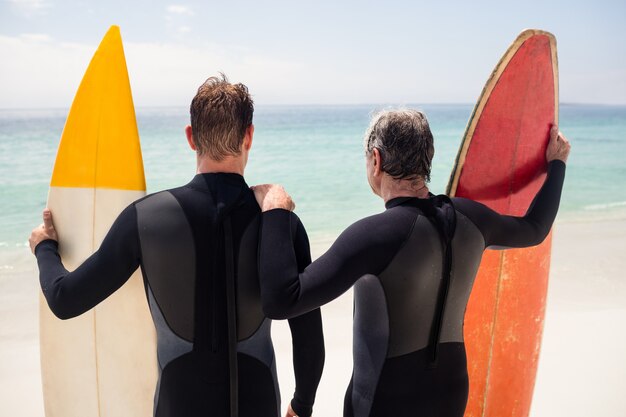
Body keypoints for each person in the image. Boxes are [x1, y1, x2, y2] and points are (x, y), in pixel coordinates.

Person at [29, 75, 325, 417]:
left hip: (178, 403)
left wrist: (45, 248)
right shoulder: (280, 223)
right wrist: (302, 404)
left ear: (190, 137)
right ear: (249, 137)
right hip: (257, 402)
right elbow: (308, 337)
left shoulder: (144, 219)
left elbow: (65, 299)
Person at [252, 109, 570, 417]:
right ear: (427, 158)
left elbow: (283, 300)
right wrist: (557, 165)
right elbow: (535, 229)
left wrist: (276, 212)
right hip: (451, 393)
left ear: (376, 159)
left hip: (384, 400)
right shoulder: (473, 219)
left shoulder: (373, 236)